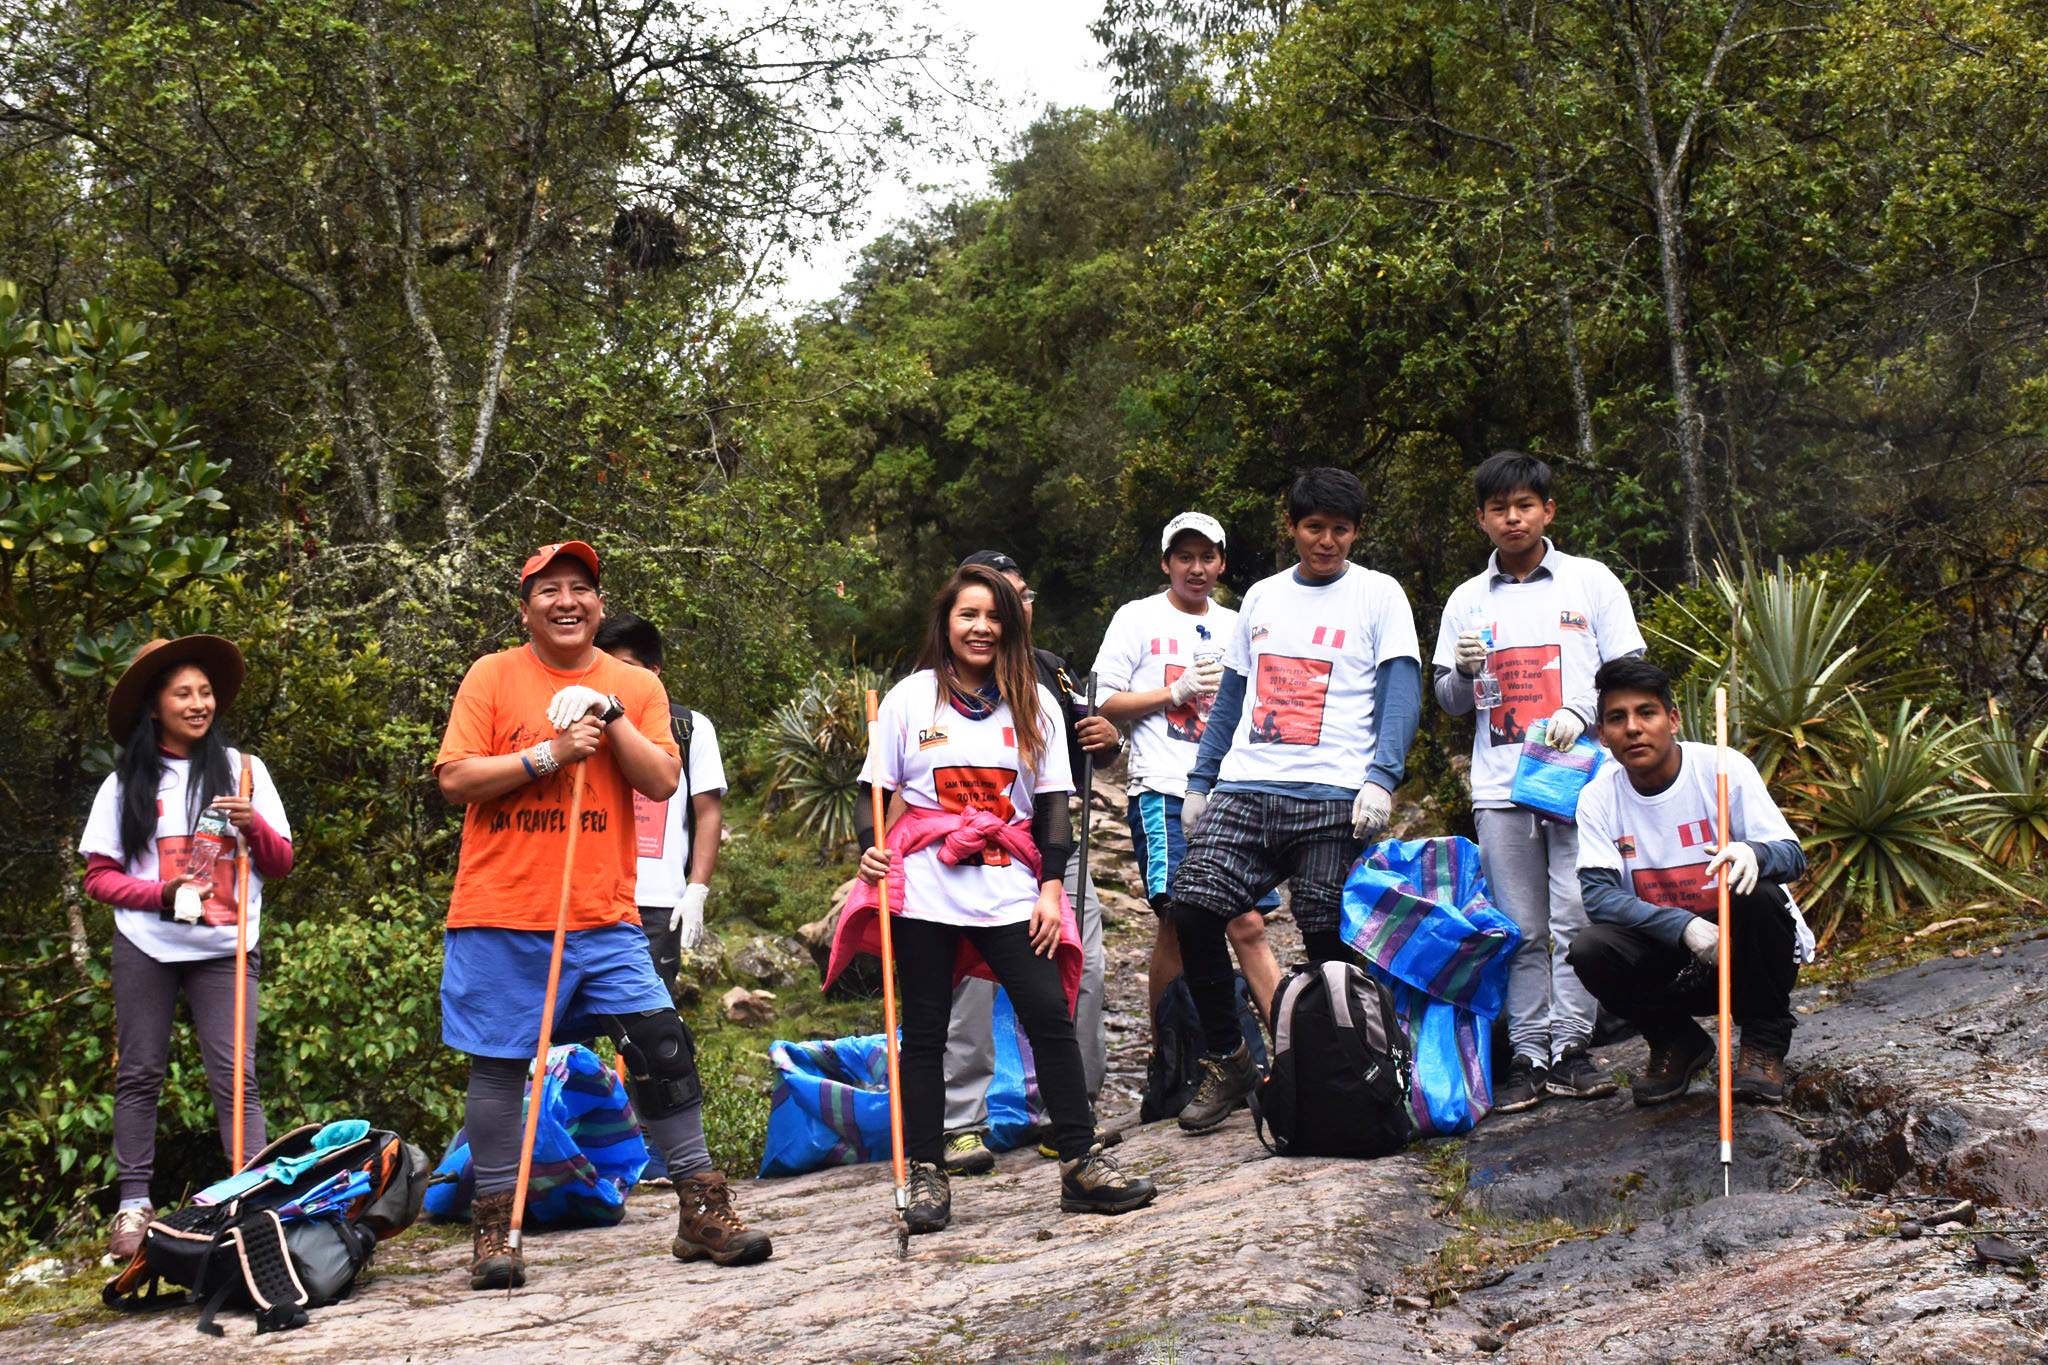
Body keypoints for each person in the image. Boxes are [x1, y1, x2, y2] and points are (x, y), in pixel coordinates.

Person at [435, 541, 769, 1291]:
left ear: (600, 603)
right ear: (525, 608)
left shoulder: (632, 683)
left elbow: (659, 778)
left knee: (662, 1045)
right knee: (497, 1067)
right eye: (548, 589)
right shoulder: (491, 676)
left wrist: (608, 714)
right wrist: (549, 754)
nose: (566, 601)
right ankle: (496, 1225)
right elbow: (455, 778)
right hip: (501, 910)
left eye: (580, 588)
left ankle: (700, 1207)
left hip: (604, 915)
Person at [849, 564, 1156, 1233]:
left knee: (1049, 1011)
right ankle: (927, 1171)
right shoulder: (909, 699)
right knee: (926, 1030)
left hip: (1010, 884)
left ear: (1010, 624)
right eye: (968, 614)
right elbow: (872, 793)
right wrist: (868, 848)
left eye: (993, 616)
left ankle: (1079, 1160)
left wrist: (1051, 886)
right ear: (946, 622)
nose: (981, 627)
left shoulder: (1034, 702)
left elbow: (1052, 805)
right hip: (927, 886)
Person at [1171, 467, 1423, 1134]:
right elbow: (1232, 696)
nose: (1328, 541)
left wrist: (1382, 776)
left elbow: (1401, 690)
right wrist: (1200, 781)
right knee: (1193, 908)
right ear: (1292, 527)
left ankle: (1356, 1064)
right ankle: (1229, 1058)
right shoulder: (1261, 596)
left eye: (1341, 529)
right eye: (1315, 527)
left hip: (1334, 792)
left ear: (1356, 532)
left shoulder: (1379, 595)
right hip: (1249, 786)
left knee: (1323, 927)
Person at [1431, 452, 1647, 1113]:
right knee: (1519, 926)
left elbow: (1632, 667)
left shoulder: (1590, 583)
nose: (1512, 517)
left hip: (1583, 782)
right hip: (1500, 787)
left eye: (1525, 505)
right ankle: (1527, 1052)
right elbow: (1447, 699)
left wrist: (1584, 710)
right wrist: (1465, 673)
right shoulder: (1468, 598)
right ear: (1481, 519)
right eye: (1499, 508)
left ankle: (1573, 1047)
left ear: (1548, 510)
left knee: (1576, 916)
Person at [80, 634, 292, 1260]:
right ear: (155, 707)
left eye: (205, 693)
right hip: (146, 944)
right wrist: (161, 892)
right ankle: (133, 1205)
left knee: (237, 1079)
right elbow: (98, 875)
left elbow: (280, 864)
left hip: (226, 945)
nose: (198, 704)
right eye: (183, 694)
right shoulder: (126, 784)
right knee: (140, 1073)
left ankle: (251, 1202)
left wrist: (254, 825)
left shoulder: (243, 770)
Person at [938, 550, 1120, 1173]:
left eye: (1020, 596)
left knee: (1081, 964)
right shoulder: (939, 679)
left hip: (1050, 846)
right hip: (963, 852)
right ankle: (960, 1122)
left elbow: (1079, 751)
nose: (1010, 610)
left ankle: (1072, 1114)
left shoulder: (1051, 673)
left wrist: (1108, 739)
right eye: (992, 598)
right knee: (964, 981)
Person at [1567, 658, 1813, 1108]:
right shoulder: (1598, 796)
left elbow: (1793, 857)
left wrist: (1754, 853)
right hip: (1674, 955)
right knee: (1591, 948)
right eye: (1617, 718)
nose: (1634, 728)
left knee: (1759, 896)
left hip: (1743, 950)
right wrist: (1682, 927)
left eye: (1647, 713)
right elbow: (1598, 897)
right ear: (1602, 735)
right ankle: (1676, 1041)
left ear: (1673, 720)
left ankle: (1763, 1041)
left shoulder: (1722, 770)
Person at [1088, 513, 1281, 1050]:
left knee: (1249, 924)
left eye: (1208, 558)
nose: (1197, 569)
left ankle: (1294, 1057)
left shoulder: (1237, 623)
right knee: (1176, 920)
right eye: (1185, 558)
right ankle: (1172, 1061)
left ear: (1221, 563)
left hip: (1231, 795)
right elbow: (1102, 700)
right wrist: (1173, 693)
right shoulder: (1137, 618)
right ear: (1167, 563)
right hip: (1164, 788)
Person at [595, 611, 728, 1185]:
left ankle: (652, 1151)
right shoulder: (582, 719)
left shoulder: (689, 727)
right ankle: (584, 1144)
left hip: (653, 899)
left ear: (654, 671)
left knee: (649, 1031)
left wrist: (696, 888)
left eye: (627, 669)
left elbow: (707, 810)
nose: (614, 681)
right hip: (585, 893)